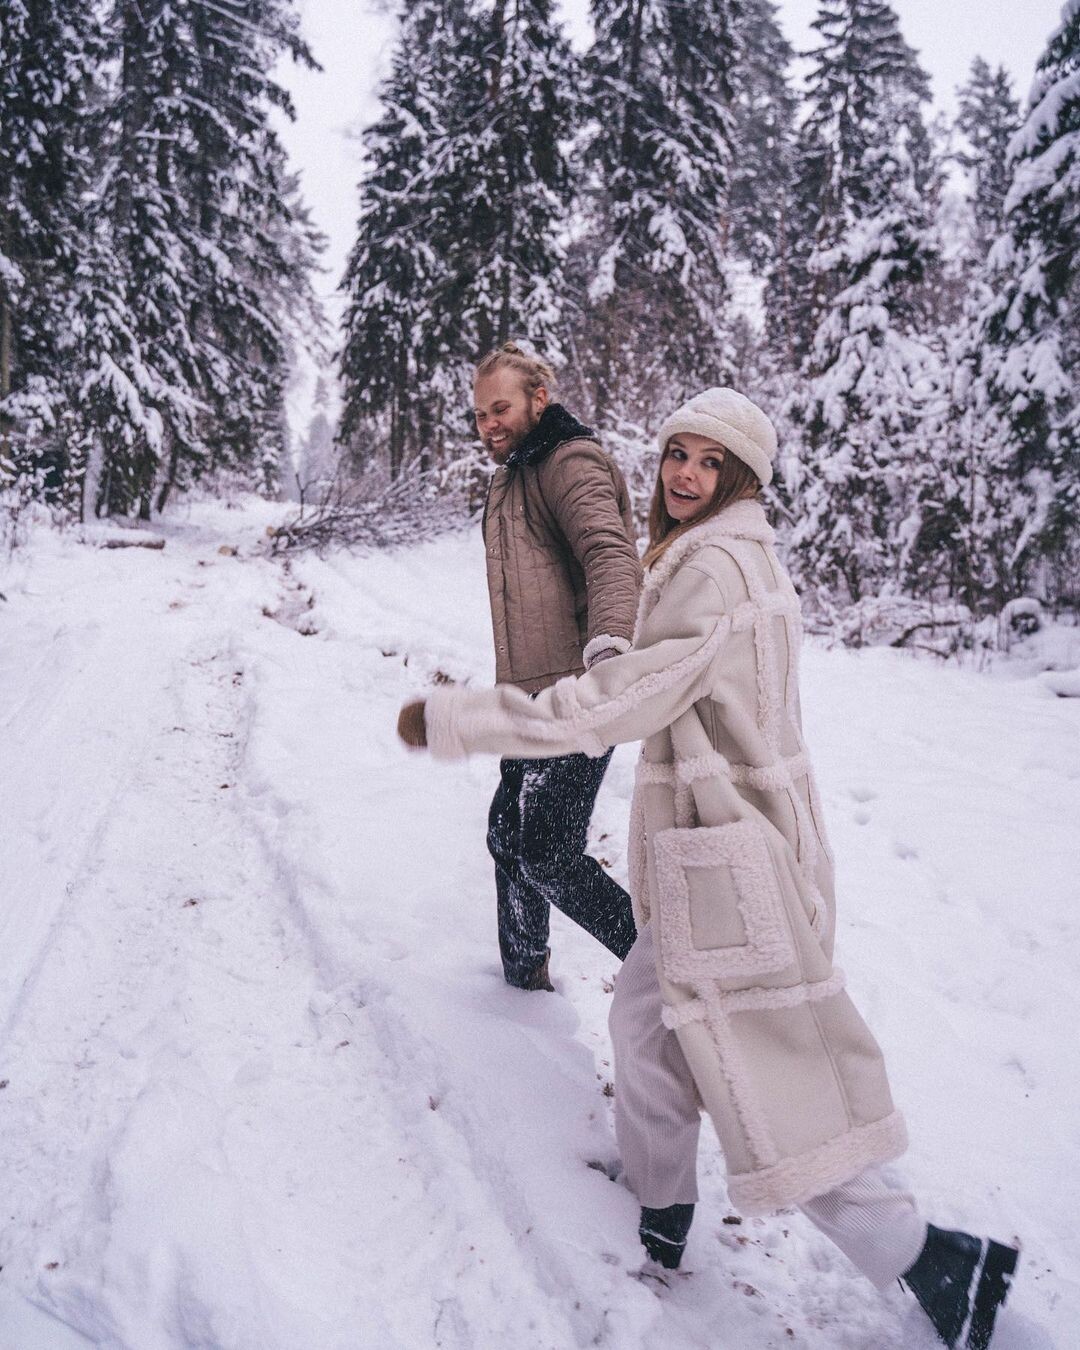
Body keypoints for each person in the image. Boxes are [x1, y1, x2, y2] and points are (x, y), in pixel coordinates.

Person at [397, 387, 1019, 1349]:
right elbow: (672, 677)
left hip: (733, 866)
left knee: (764, 1078)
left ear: (741, 477)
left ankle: (931, 1259)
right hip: (727, 852)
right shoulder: (728, 553)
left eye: (709, 461)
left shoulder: (714, 571)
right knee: (645, 1026)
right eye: (676, 454)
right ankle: (662, 1206)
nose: (685, 474)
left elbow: (614, 704)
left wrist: (464, 719)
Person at [469, 342, 641, 991]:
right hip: (529, 695)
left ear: (539, 400)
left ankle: (669, 973)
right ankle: (524, 979)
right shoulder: (514, 473)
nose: (489, 424)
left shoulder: (569, 462)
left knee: (547, 854)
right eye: (481, 414)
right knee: (506, 836)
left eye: (501, 408)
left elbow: (610, 555)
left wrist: (610, 652)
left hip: (578, 692)